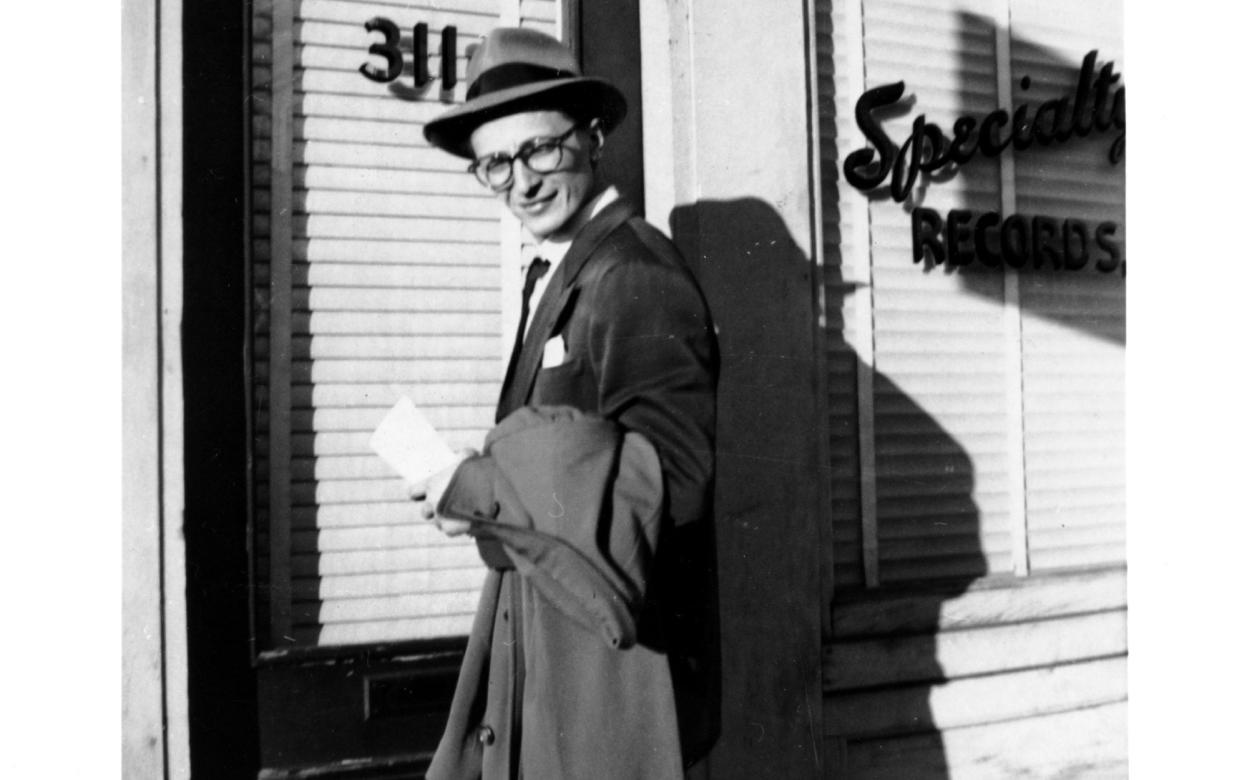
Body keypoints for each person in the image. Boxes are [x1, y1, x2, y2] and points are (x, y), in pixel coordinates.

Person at [412, 27, 719, 779]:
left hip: (610, 684)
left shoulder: (633, 273)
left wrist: (493, 489)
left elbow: (674, 485)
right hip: (555, 644)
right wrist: (477, 499)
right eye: (495, 163)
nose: (522, 181)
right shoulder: (562, 269)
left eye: (540, 150)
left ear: (593, 138)